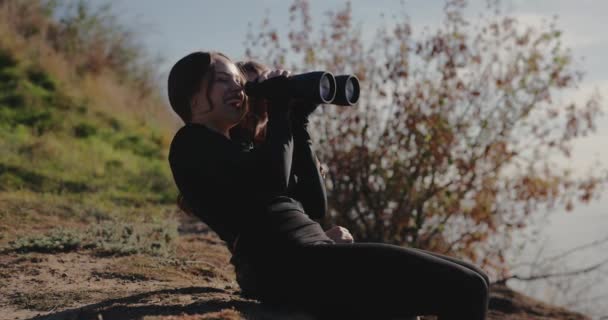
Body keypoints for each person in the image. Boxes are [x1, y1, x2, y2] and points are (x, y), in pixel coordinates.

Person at [167, 51, 490, 319]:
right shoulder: (190, 143)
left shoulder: (242, 149)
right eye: (223, 81)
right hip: (286, 265)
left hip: (311, 255)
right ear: (193, 97)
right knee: (467, 288)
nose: (237, 90)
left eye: (239, 83)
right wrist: (279, 109)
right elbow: (272, 181)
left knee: (478, 279)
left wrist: (297, 120)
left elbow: (313, 202)